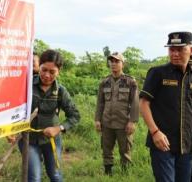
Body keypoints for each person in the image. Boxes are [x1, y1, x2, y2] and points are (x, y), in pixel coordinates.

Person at [139, 31, 192, 182]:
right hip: (163, 144)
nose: (175, 54)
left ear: (191, 50)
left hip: (186, 145)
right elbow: (143, 103)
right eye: (171, 49)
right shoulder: (157, 73)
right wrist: (155, 132)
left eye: (180, 49)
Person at [19, 49, 80, 182]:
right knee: (34, 178)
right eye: (44, 70)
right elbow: (12, 108)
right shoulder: (26, 85)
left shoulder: (61, 91)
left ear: (59, 71)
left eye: (52, 72)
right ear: (38, 66)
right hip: (28, 140)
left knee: (55, 175)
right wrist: (10, 131)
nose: (47, 75)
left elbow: (75, 116)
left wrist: (58, 128)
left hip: (51, 141)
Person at [95, 52, 139, 175]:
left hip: (123, 123)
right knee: (106, 149)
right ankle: (108, 172)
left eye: (117, 61)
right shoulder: (104, 82)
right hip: (107, 122)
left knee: (125, 150)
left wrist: (132, 121)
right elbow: (100, 103)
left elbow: (135, 103)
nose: (113, 64)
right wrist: (97, 119)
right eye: (111, 61)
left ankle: (125, 174)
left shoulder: (130, 82)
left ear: (122, 64)